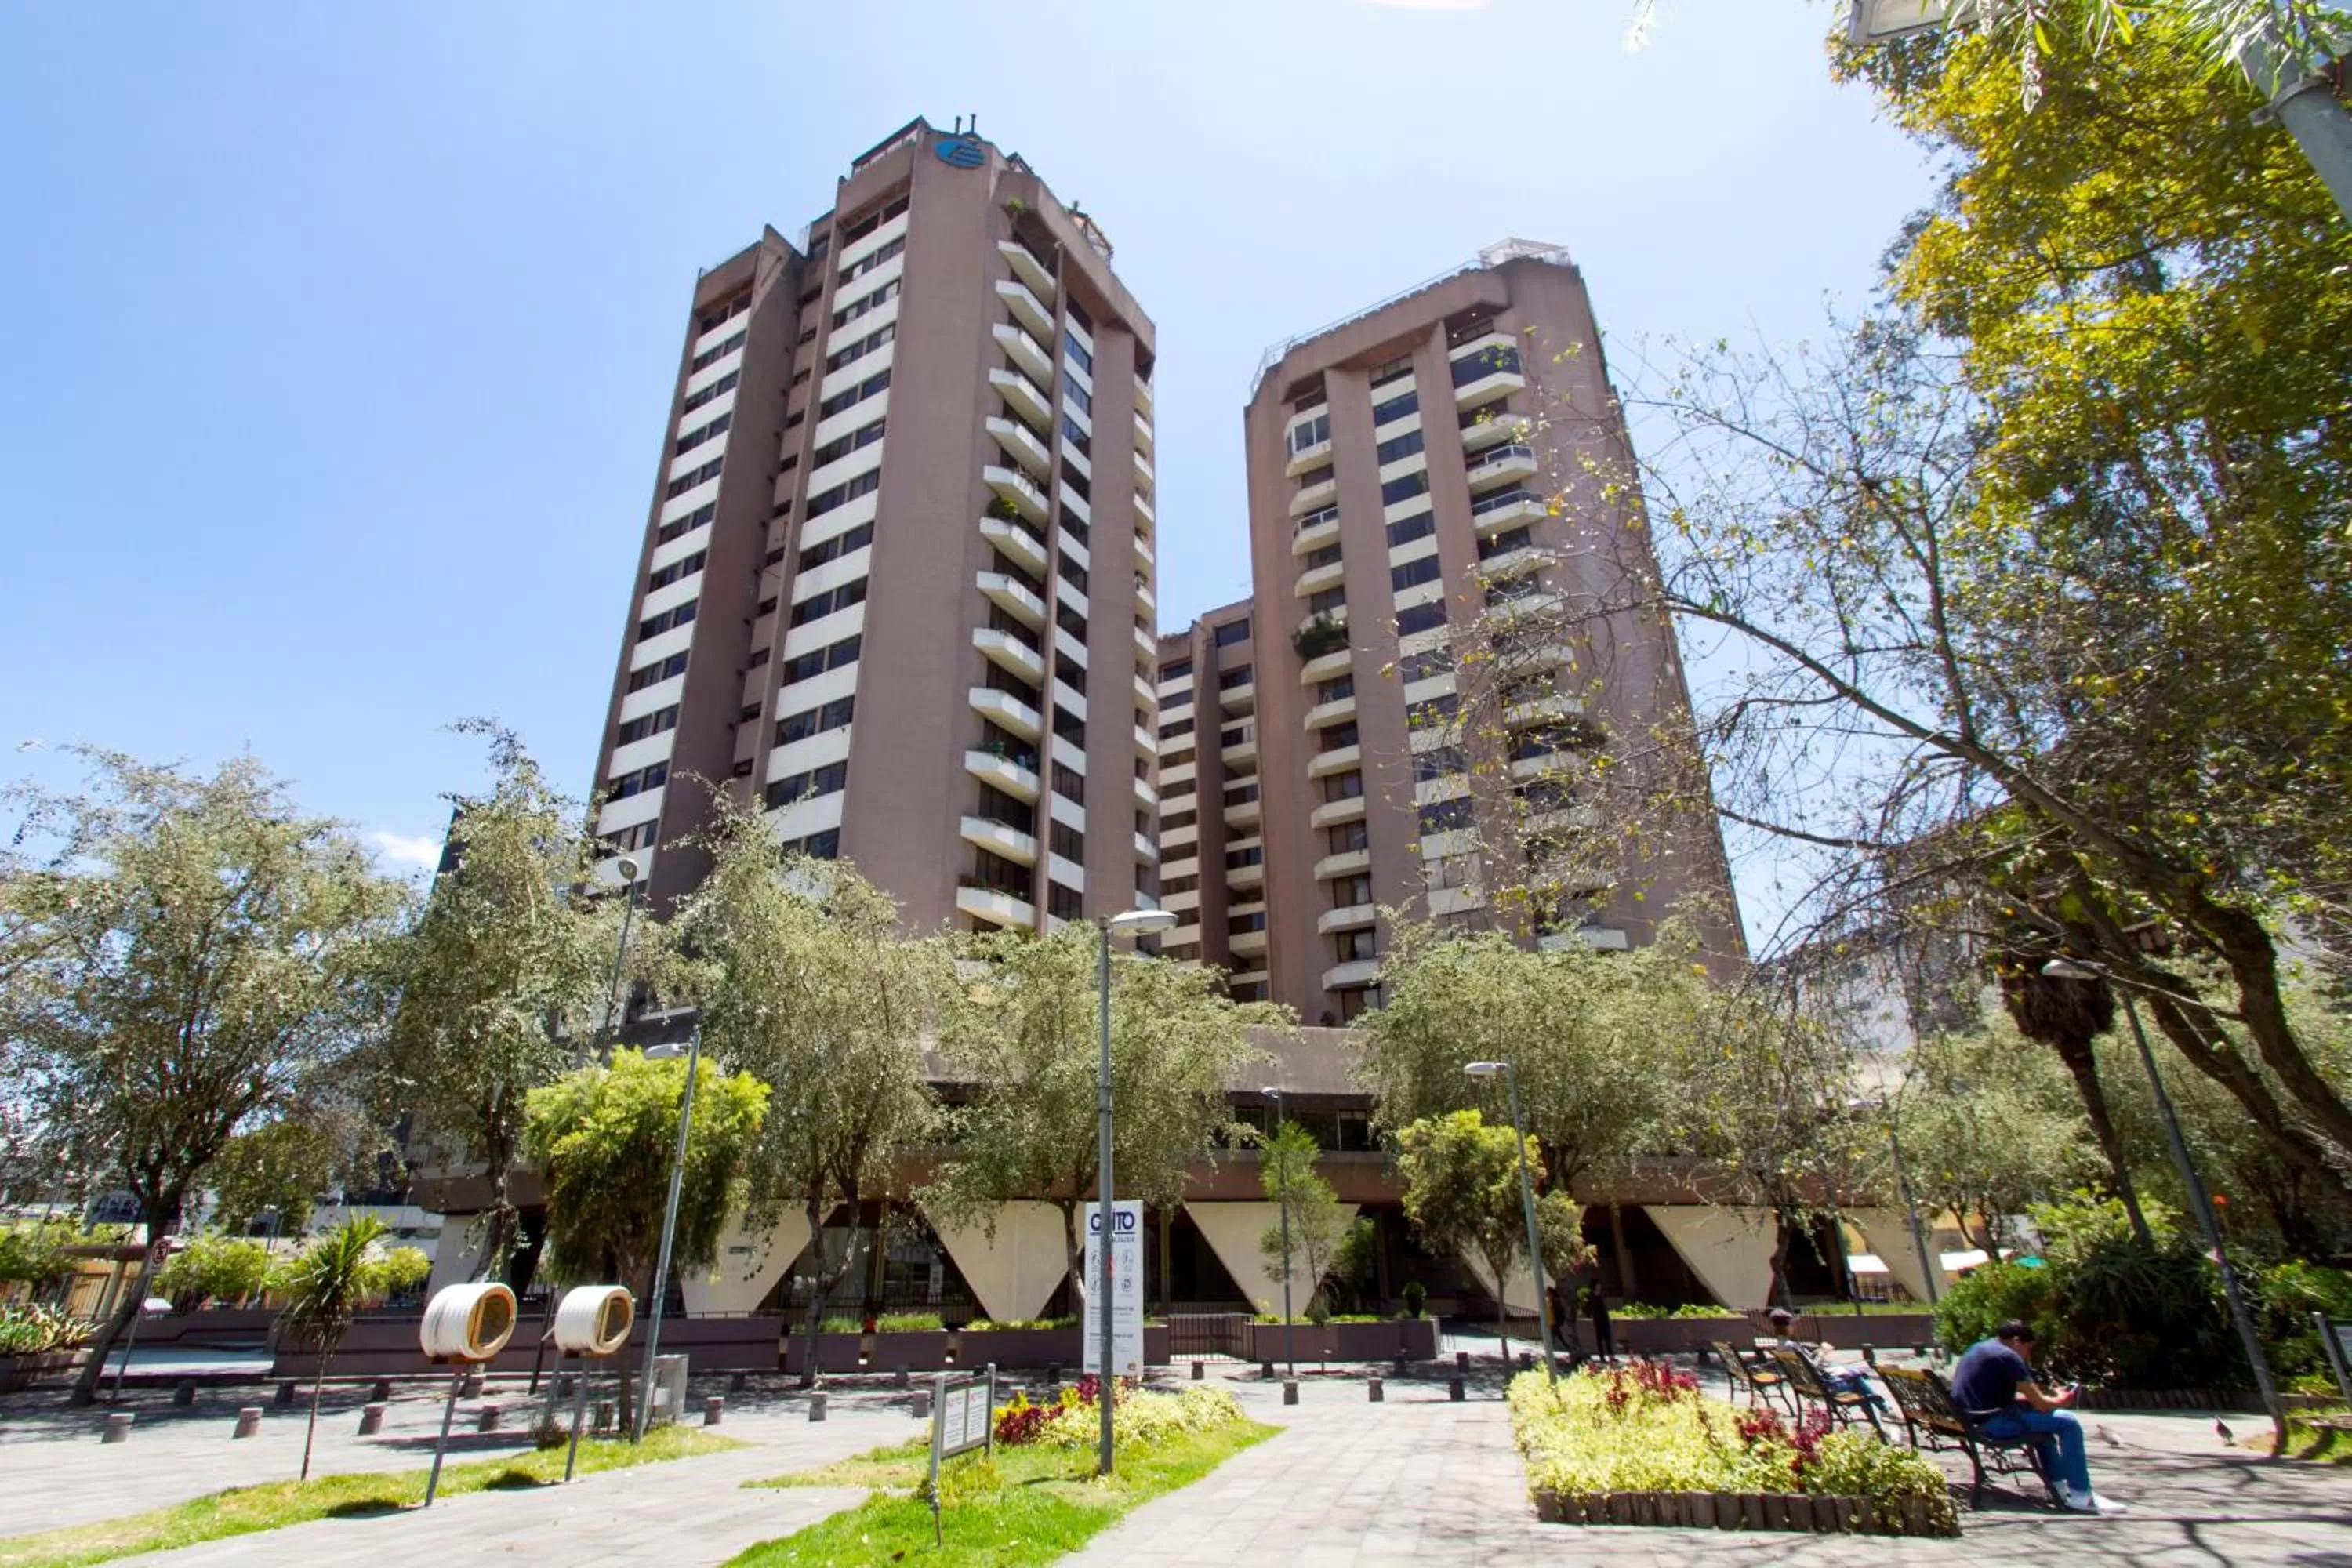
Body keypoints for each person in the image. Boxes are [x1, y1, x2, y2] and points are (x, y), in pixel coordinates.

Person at [1950, 1319, 2126, 1515]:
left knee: (2043, 1424)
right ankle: (2080, 1495)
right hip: (1991, 1424)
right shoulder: (2009, 1356)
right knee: (2068, 1422)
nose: (2029, 1355)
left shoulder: (1980, 1348)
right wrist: (2061, 1399)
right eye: (2029, 1348)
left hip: (1970, 1419)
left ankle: (2059, 1489)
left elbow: (2015, 1397)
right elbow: (2041, 1404)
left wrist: (2042, 1400)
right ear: (2017, 1341)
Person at [1765, 1307, 1886, 1412]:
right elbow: (1812, 1366)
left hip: (1806, 1386)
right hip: (1823, 1387)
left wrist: (1816, 1353)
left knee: (1851, 1374)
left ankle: (1881, 1411)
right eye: (1792, 1324)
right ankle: (1883, 1409)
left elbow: (1805, 1361)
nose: (1794, 1327)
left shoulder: (1780, 1345)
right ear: (1787, 1326)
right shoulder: (1791, 1345)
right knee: (1857, 1379)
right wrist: (1823, 1352)